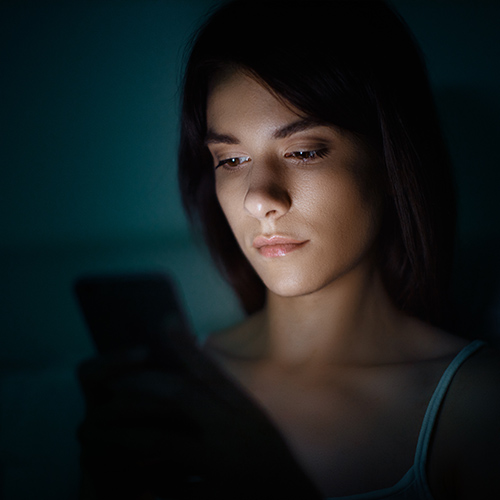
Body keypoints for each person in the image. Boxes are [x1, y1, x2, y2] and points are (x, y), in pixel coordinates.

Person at [78, 1, 500, 499]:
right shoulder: (180, 391)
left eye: (303, 152)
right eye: (231, 159)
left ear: (390, 160)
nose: (259, 198)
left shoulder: (475, 405)